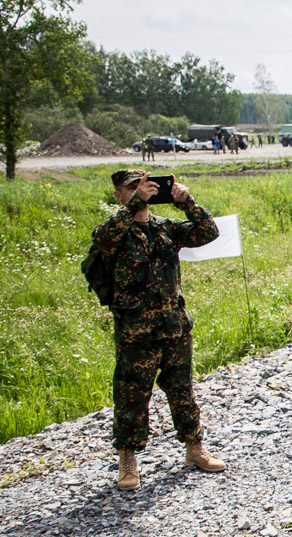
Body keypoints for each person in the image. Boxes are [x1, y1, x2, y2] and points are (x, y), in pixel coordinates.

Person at [92, 171, 225, 491]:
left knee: (183, 392)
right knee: (132, 398)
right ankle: (127, 459)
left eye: (145, 185)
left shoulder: (165, 228)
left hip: (174, 327)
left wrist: (187, 202)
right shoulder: (116, 232)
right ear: (119, 195)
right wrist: (137, 202)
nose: (141, 191)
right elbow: (102, 236)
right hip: (136, 333)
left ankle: (195, 448)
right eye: (132, 188)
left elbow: (209, 232)